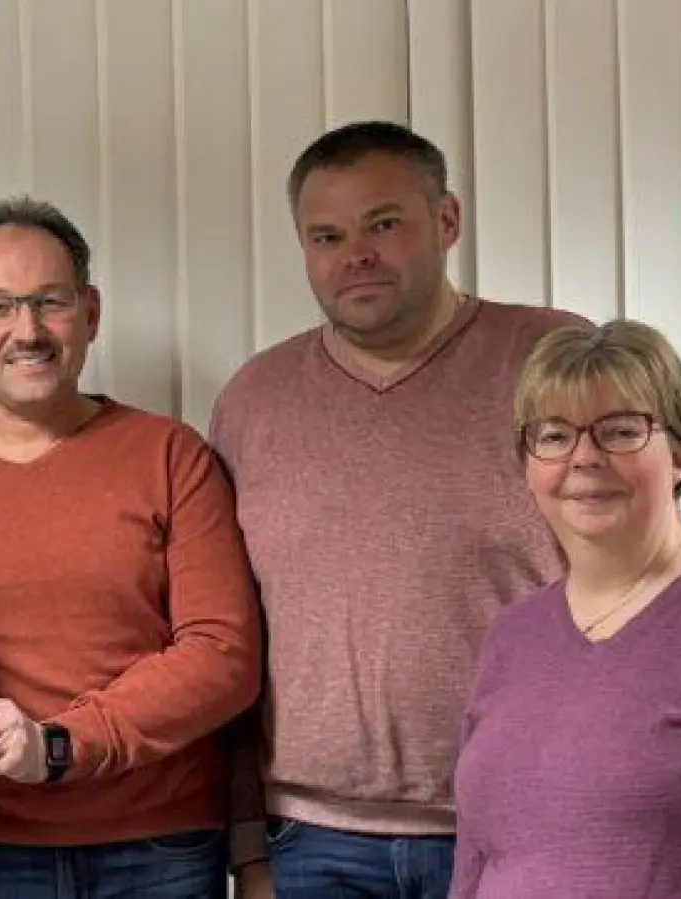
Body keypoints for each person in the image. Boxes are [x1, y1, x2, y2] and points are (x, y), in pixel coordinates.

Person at [0, 195, 263, 899]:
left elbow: (223, 655)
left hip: (157, 846)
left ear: (89, 312)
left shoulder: (169, 455)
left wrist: (57, 745)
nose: (26, 330)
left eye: (48, 302)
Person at [208, 121, 587, 898]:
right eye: (327, 234)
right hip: (311, 839)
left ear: (446, 221)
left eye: (384, 223)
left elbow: (633, 583)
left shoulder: (552, 359)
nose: (357, 254)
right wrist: (248, 848)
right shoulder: (254, 400)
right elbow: (231, 634)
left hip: (523, 816)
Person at [451, 319, 681, 896]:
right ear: (529, 464)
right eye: (556, 436)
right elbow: (475, 857)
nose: (585, 457)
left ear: (680, 456)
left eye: (619, 431)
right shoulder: (513, 635)